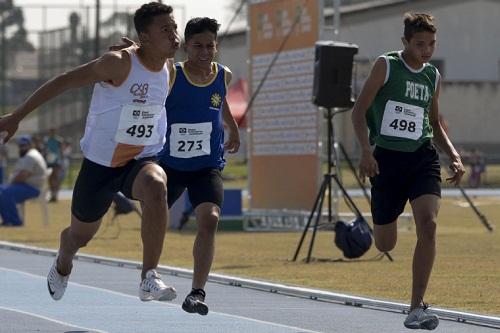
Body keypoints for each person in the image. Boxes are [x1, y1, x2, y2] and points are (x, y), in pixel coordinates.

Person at [0, 2, 181, 303]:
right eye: (165, 29)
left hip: (139, 160)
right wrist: (16, 117)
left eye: (175, 27)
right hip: (101, 165)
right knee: (79, 236)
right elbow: (64, 81)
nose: (175, 35)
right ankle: (63, 260)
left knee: (157, 185)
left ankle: (149, 276)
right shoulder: (117, 63)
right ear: (144, 37)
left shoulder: (169, 69)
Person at [114, 17, 240, 315]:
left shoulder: (225, 75)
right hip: (168, 163)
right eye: (198, 46)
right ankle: (149, 275)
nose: (205, 51)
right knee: (156, 219)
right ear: (186, 46)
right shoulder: (173, 73)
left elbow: (219, 102)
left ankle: (196, 293)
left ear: (216, 46)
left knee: (209, 219)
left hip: (206, 164)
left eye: (210, 45)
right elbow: (148, 65)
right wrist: (134, 49)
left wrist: (232, 127)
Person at [351, 13, 465, 330]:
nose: (426, 51)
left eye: (431, 44)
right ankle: (379, 221)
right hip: (385, 159)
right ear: (405, 42)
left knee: (428, 225)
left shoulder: (432, 76)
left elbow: (435, 123)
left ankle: (416, 308)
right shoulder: (386, 66)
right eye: (419, 44)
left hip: (421, 157)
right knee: (385, 244)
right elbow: (358, 111)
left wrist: (453, 154)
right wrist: (365, 149)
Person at [0, 135, 47, 226]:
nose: (21, 147)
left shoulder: (31, 156)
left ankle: (15, 222)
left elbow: (23, 175)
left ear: (30, 145)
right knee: (2, 190)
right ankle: (7, 220)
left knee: (6, 193)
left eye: (24, 145)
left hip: (32, 188)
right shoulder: (28, 155)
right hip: (25, 185)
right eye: (20, 145)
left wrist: (11, 183)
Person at [44, 128, 63, 202]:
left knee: (55, 178)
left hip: (56, 162)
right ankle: (52, 195)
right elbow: (45, 150)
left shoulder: (59, 140)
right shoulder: (47, 140)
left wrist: (61, 161)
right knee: (50, 179)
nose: (51, 133)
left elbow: (61, 151)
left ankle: (55, 195)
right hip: (49, 162)